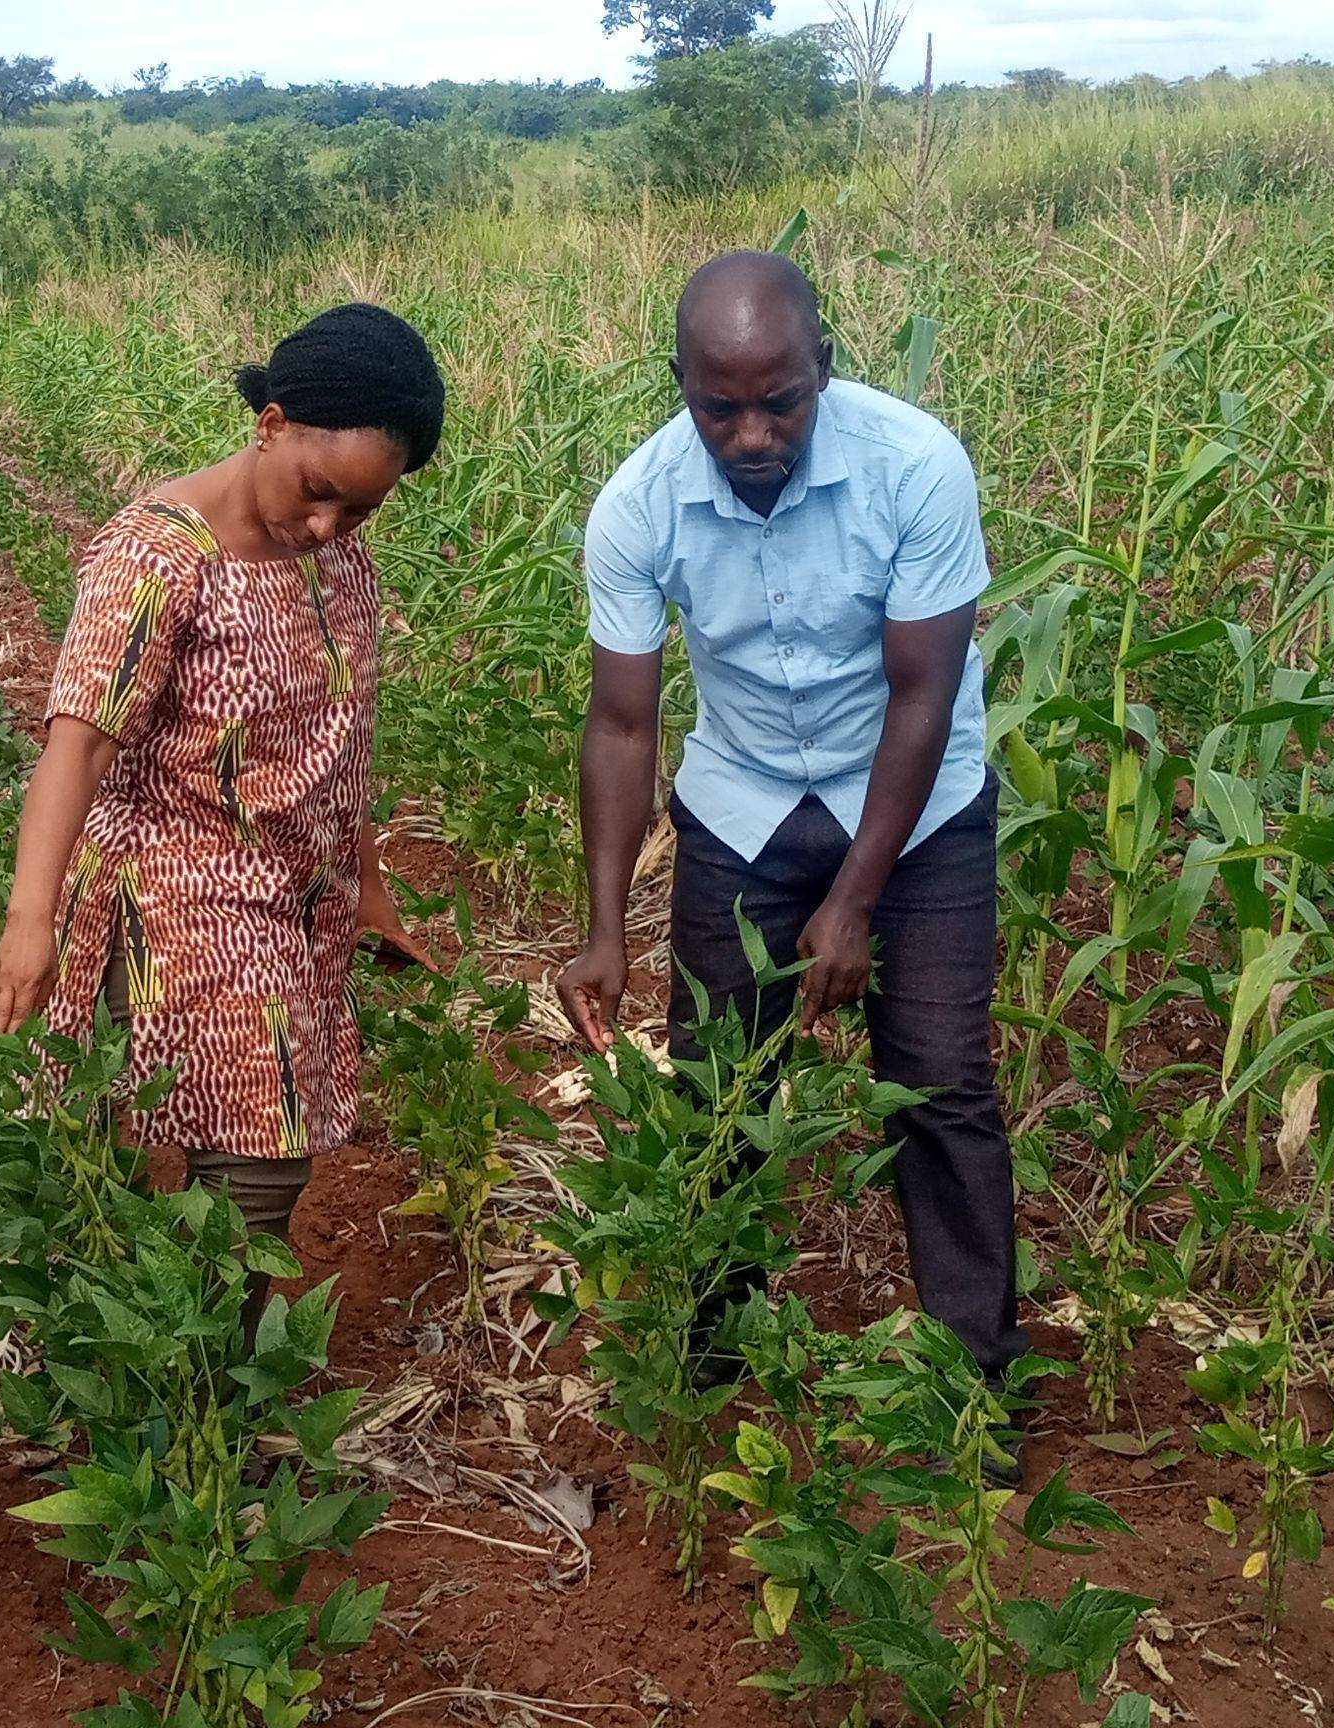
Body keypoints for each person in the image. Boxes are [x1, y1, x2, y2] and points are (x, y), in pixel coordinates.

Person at [554, 251, 1028, 1480]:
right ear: (680, 386)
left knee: (938, 1085)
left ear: (826, 366)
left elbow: (924, 695)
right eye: (720, 408)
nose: (752, 433)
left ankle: (970, 1389)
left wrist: (855, 902)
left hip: (914, 808)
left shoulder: (914, 465)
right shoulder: (637, 504)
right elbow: (620, 723)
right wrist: (602, 925)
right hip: (745, 802)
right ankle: (721, 1364)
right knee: (720, 1091)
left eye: (781, 401)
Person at [0, 302, 446, 1308]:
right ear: (270, 423)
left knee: (237, 1153)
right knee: (257, 1154)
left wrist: (367, 886)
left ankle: (190, 1378)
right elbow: (76, 745)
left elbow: (344, 738)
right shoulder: (161, 558)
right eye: (318, 493)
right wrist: (30, 921)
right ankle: (197, 1383)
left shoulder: (338, 560)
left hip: (297, 892)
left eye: (359, 511)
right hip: (179, 880)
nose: (327, 526)